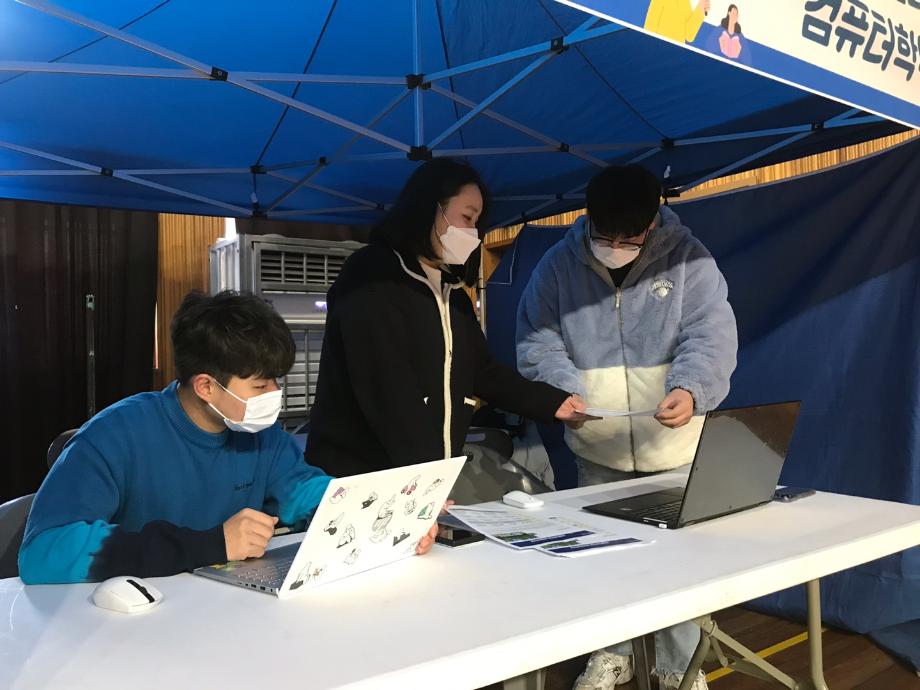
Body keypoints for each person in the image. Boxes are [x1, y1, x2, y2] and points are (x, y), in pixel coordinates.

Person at [19, 291, 440, 584]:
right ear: (206, 386)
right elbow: (44, 552)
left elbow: (304, 491)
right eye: (260, 386)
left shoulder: (261, 435)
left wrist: (390, 518)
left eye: (276, 381)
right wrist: (211, 543)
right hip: (137, 629)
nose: (275, 394)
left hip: (231, 616)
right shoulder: (115, 436)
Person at [516, 165, 737, 690]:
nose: (615, 247)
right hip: (598, 450)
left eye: (629, 238)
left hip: (674, 449)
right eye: (605, 236)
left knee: (680, 565)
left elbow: (711, 335)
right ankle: (613, 653)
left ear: (653, 222)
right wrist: (562, 390)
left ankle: (679, 666)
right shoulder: (557, 266)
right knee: (604, 561)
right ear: (587, 218)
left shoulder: (690, 260)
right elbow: (537, 339)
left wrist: (691, 390)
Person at [306, 158, 590, 477]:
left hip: (422, 474)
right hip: (362, 476)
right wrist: (427, 477)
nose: (472, 233)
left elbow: (482, 372)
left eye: (477, 223)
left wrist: (551, 402)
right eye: (467, 217)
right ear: (430, 207)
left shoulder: (451, 294)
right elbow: (388, 389)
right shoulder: (373, 275)